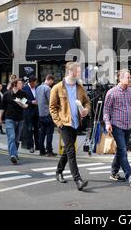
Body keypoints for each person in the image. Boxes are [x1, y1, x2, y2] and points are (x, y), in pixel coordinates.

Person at [103, 70, 131, 188]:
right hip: (116, 125)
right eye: (128, 77)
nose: (130, 79)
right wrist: (107, 123)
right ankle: (130, 175)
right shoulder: (111, 92)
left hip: (128, 125)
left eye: (130, 77)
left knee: (120, 150)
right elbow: (106, 110)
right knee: (123, 150)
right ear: (121, 79)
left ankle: (114, 173)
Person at [49, 62, 90, 191]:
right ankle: (78, 180)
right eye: (77, 71)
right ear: (71, 72)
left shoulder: (80, 87)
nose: (79, 73)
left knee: (68, 150)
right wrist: (59, 123)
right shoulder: (57, 87)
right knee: (71, 151)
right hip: (65, 124)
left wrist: (86, 110)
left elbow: (87, 102)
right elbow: (52, 107)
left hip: (76, 124)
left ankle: (58, 171)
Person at [0, 79, 28, 165]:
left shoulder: (23, 94)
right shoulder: (7, 94)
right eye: (20, 83)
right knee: (11, 137)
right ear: (15, 84)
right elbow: (2, 107)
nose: (22, 85)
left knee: (17, 139)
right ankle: (13, 155)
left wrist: (21, 104)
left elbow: (26, 105)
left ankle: (14, 153)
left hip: (20, 119)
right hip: (9, 119)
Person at [36, 74, 56, 157]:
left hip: (40, 114)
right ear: (49, 79)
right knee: (49, 133)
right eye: (52, 81)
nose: (52, 83)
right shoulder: (48, 89)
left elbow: (37, 100)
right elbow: (51, 102)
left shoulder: (38, 88)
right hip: (48, 114)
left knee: (42, 133)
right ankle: (49, 151)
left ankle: (41, 150)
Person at [23, 75, 40, 153]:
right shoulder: (25, 88)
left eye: (35, 83)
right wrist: (31, 102)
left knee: (37, 129)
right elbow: (22, 100)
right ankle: (31, 146)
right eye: (33, 83)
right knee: (29, 129)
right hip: (28, 112)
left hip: (36, 111)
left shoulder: (37, 88)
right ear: (30, 82)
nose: (35, 84)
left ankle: (38, 145)